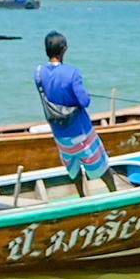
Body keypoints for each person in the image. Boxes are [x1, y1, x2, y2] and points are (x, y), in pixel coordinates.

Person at [37, 31, 110, 196]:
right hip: (81, 133)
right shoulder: (72, 72)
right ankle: (115, 195)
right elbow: (84, 101)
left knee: (74, 169)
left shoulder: (39, 73)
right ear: (64, 49)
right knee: (102, 167)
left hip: (60, 135)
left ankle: (82, 197)